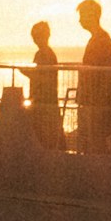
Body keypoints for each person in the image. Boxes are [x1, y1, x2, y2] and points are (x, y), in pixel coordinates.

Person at [74, 0, 111, 155]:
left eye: (82, 15)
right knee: (95, 141)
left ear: (91, 16)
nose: (80, 20)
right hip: (96, 99)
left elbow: (96, 71)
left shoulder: (100, 39)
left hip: (98, 100)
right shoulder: (99, 38)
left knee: (96, 141)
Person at [25, 20, 64, 150]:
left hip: (44, 102)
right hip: (46, 101)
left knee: (45, 137)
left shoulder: (44, 54)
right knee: (50, 136)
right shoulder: (47, 53)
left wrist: (28, 72)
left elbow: (43, 77)